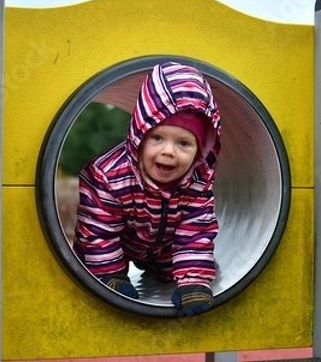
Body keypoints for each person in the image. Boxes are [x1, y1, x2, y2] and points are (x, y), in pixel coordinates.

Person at [73, 61, 222, 316]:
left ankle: (168, 273)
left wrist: (193, 281)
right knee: (99, 264)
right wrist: (111, 274)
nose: (168, 151)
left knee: (179, 281)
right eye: (157, 137)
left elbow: (195, 232)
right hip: (114, 243)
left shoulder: (197, 181)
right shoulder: (109, 176)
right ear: (139, 136)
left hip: (163, 245)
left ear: (200, 150)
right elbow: (99, 231)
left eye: (184, 143)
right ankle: (111, 273)